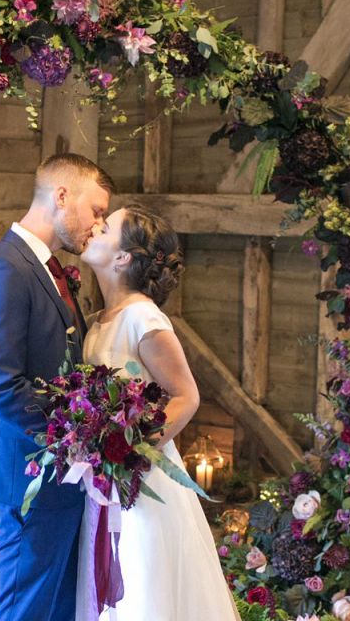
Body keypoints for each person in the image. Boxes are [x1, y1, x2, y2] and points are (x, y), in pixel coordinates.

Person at [0, 153, 115, 621]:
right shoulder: (5, 270)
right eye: (97, 210)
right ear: (61, 196)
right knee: (26, 612)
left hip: (60, 478)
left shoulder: (45, 267)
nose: (99, 224)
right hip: (29, 475)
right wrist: (82, 436)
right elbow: (1, 388)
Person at [76, 204, 241, 621]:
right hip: (104, 478)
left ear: (122, 257)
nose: (95, 226)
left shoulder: (142, 316)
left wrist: (129, 451)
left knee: (143, 584)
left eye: (106, 225)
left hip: (140, 479)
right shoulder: (99, 320)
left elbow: (186, 395)